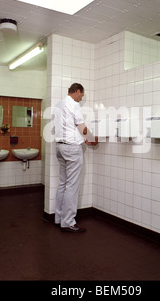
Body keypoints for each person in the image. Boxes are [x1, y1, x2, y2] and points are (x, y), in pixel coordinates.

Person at [53, 83, 98, 233]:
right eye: (81, 95)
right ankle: (68, 223)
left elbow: (67, 127)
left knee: (63, 183)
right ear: (77, 91)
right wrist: (91, 138)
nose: (81, 98)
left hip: (60, 147)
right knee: (72, 186)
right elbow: (82, 127)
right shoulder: (74, 105)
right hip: (72, 149)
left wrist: (83, 139)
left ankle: (59, 218)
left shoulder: (59, 105)